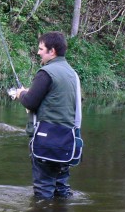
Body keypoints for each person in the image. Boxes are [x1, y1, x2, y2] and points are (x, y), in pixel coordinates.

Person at [15, 31, 81, 199]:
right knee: (61, 188)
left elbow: (30, 102)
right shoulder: (72, 74)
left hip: (46, 140)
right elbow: (57, 99)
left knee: (44, 190)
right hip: (67, 140)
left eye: (41, 49)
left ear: (52, 51)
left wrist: (21, 94)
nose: (38, 52)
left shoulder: (46, 72)